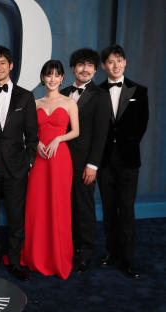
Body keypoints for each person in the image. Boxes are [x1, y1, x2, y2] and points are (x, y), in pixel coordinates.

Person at [0, 45, 38, 281]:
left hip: (16, 168)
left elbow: (32, 136)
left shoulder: (26, 96)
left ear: (11, 66)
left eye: (3, 62)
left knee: (16, 217)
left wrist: (28, 163)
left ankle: (14, 261)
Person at [21, 60, 79, 279]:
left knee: (58, 206)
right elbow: (28, 132)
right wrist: (37, 144)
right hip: (39, 158)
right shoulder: (34, 103)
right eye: (48, 75)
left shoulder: (70, 102)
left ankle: (57, 256)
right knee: (36, 205)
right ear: (43, 78)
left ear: (62, 78)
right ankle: (35, 255)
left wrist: (58, 140)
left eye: (57, 75)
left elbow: (76, 131)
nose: (53, 79)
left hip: (60, 158)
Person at [97, 45, 149, 279]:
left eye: (119, 60)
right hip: (104, 160)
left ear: (125, 62)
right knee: (108, 209)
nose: (115, 65)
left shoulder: (140, 90)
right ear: (103, 65)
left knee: (126, 209)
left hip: (128, 159)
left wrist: (124, 142)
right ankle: (112, 254)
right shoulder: (98, 92)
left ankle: (128, 260)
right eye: (110, 61)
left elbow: (142, 124)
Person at [60, 48, 112, 273]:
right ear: (73, 68)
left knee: (84, 207)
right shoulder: (61, 91)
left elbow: (102, 133)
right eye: (80, 65)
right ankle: (67, 248)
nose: (85, 69)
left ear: (94, 68)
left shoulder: (100, 95)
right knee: (65, 206)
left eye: (90, 65)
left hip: (84, 163)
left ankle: (85, 252)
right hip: (61, 161)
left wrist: (93, 164)